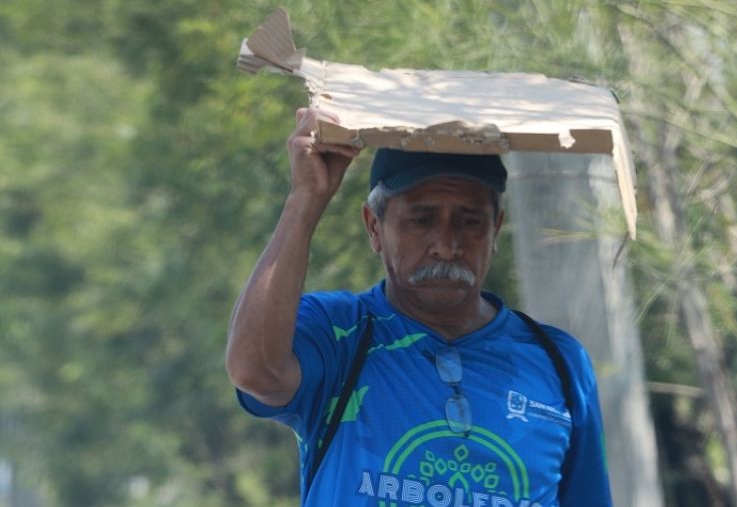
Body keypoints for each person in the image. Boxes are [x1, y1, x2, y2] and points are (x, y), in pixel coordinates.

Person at [226, 107, 613, 506]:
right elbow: (255, 371)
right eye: (422, 219)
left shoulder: (559, 363)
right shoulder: (339, 334)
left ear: (495, 228)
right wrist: (305, 199)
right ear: (374, 227)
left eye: (470, 221)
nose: (447, 245)